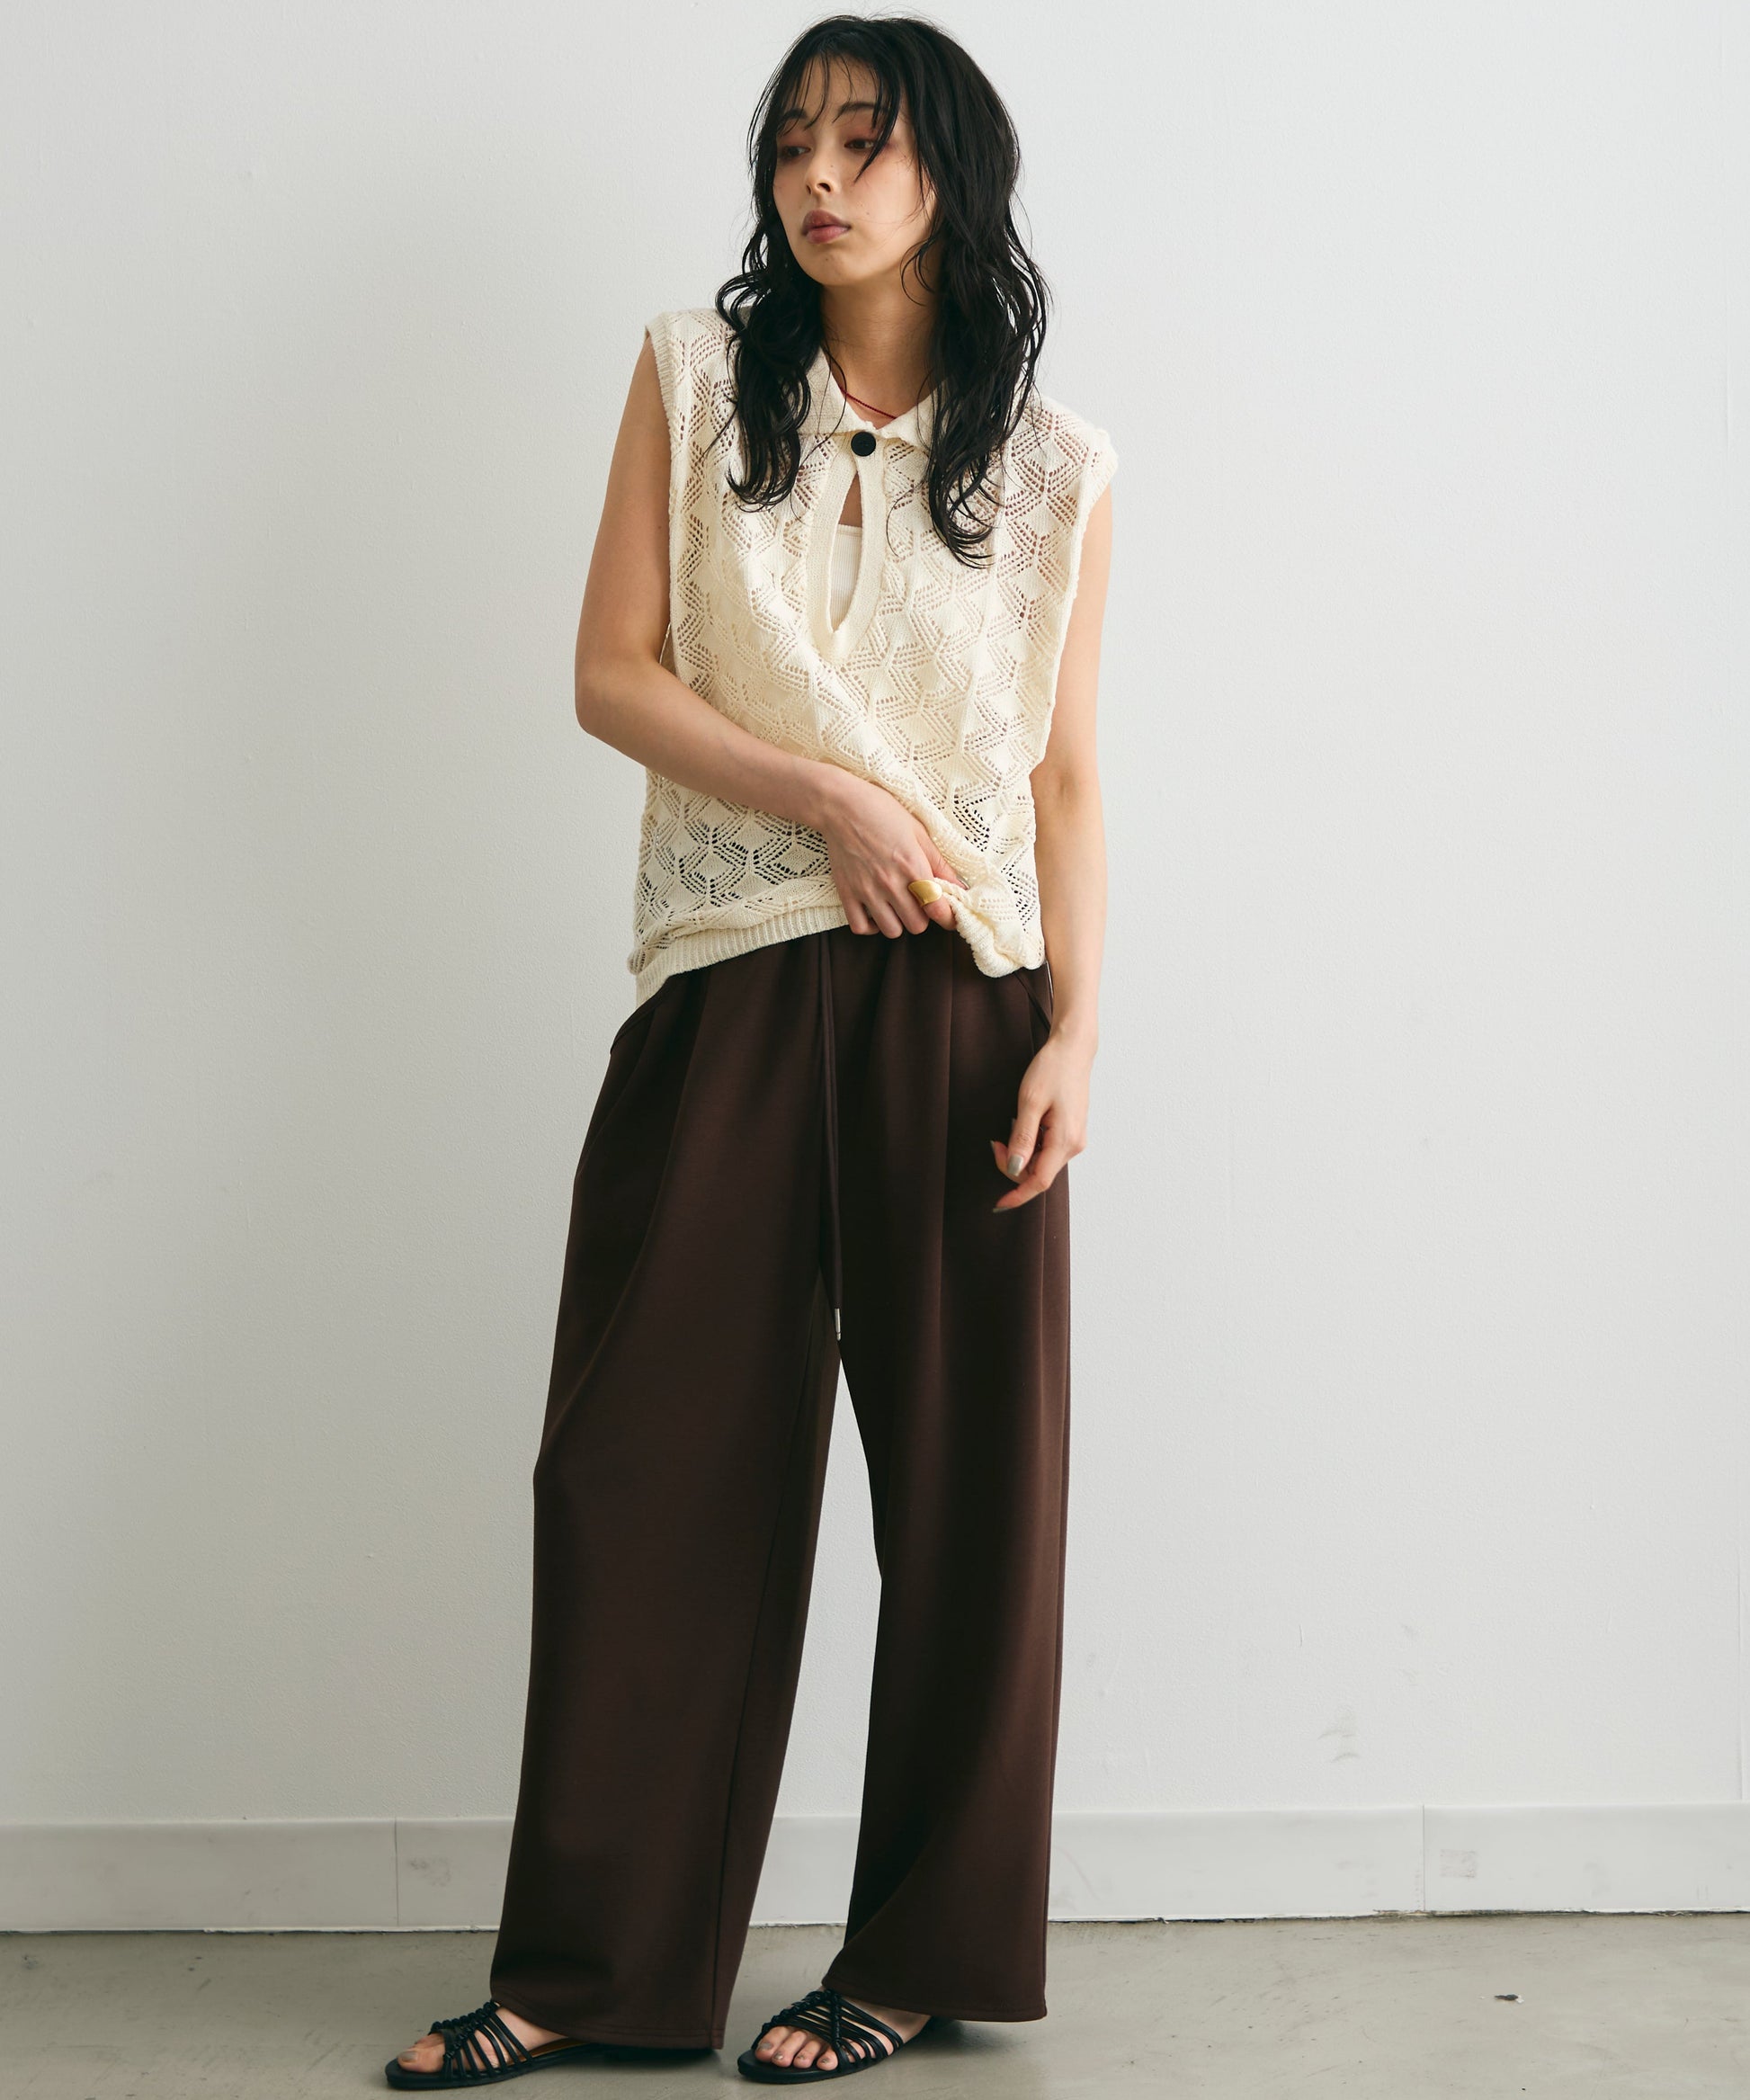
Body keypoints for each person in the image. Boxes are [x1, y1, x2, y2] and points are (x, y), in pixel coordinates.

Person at [387, 13, 1115, 2089]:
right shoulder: (694, 378)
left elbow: (1065, 777)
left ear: (947, 175)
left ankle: (917, 1953)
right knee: (636, 1466)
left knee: (975, 1496)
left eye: (864, 141)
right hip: (727, 976)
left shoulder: (1054, 468)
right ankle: (594, 1970)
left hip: (964, 1003)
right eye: (792, 140)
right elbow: (611, 673)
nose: (818, 175)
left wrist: (1078, 1028)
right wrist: (831, 801)